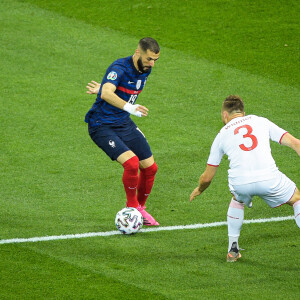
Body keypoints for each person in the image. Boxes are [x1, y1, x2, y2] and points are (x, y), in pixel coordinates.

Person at [190, 95, 300, 262]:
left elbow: (207, 178)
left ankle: (232, 250)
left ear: (225, 115)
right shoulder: (260, 121)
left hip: (240, 183)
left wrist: (199, 189)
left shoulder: (221, 135)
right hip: (269, 179)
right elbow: (295, 144)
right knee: (296, 199)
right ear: (243, 112)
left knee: (237, 199)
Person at [85, 37, 160, 226]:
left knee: (150, 168)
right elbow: (108, 93)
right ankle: (131, 209)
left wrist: (103, 88)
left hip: (123, 123)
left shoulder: (144, 70)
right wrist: (129, 107)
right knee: (132, 163)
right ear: (137, 53)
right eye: (149, 59)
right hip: (101, 125)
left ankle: (140, 210)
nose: (152, 64)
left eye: (155, 60)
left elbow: (112, 90)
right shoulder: (118, 68)